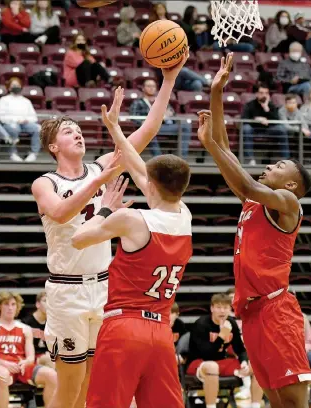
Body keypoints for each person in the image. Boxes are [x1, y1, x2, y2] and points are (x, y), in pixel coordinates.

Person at [31, 51, 189, 408]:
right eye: (67, 132)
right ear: (54, 146)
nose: (77, 135)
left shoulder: (100, 166)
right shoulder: (45, 182)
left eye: (78, 130)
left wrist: (167, 80)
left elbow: (148, 130)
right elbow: (60, 213)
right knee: (69, 388)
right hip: (67, 292)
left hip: (104, 289)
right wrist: (101, 186)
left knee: (94, 387)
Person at [197, 53, 311, 408]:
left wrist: (211, 147)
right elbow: (228, 152)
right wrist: (217, 93)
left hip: (276, 311)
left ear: (291, 184)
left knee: (294, 403)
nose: (268, 165)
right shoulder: (256, 203)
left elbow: (244, 180)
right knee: (274, 402)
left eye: (278, 165)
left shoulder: (288, 204)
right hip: (252, 313)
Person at [71, 86, 192, 408]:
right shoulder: (184, 215)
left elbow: (78, 238)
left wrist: (106, 210)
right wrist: (115, 128)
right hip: (162, 331)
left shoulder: (130, 218)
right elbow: (140, 169)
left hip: (124, 327)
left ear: (150, 186)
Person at [187, 293, 249, 408]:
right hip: (198, 362)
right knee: (212, 366)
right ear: (212, 308)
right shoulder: (201, 324)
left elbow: (240, 349)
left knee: (254, 366)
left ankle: (255, 405)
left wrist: (244, 362)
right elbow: (206, 354)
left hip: (221, 362)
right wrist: (222, 336)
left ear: (230, 309)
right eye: (219, 307)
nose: (222, 311)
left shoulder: (231, 323)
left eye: (225, 308)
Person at [0, 291, 57, 408]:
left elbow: (30, 356)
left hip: (22, 366)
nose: (10, 308)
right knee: (2, 375)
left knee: (52, 376)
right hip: (1, 364)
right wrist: (4, 363)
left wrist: (26, 362)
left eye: (13, 304)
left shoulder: (25, 328)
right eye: (6, 304)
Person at [129, 78, 192, 158]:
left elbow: (172, 114)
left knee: (185, 126)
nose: (151, 88)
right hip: (148, 127)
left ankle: (182, 157)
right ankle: (158, 159)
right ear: (143, 88)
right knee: (150, 129)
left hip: (164, 127)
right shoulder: (138, 102)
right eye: (149, 86)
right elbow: (133, 117)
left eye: (153, 86)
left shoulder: (161, 101)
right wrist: (153, 119)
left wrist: (169, 116)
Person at [241, 82, 290, 165]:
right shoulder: (249, 105)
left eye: (266, 93)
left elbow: (276, 119)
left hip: (268, 130)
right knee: (246, 128)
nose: (264, 95)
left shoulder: (271, 105)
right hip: (254, 129)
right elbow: (244, 119)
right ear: (256, 94)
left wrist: (266, 108)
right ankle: (250, 159)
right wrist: (256, 119)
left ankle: (286, 160)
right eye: (261, 93)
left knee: (281, 129)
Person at [0, 77, 41, 162]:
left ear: (21, 87)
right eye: (13, 85)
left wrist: (26, 120)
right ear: (9, 87)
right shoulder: (4, 100)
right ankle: (13, 154)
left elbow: (34, 117)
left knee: (39, 128)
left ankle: (33, 154)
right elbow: (0, 116)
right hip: (10, 123)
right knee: (14, 128)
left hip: (25, 123)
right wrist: (15, 120)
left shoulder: (26, 101)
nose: (16, 87)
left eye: (17, 85)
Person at [22, 291, 54, 369]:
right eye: (45, 301)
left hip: (48, 355)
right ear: (38, 304)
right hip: (32, 356)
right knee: (51, 360)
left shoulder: (53, 323)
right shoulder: (26, 322)